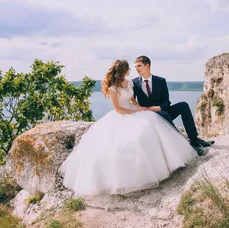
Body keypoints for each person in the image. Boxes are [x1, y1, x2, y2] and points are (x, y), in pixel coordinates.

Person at [59, 60, 198, 196]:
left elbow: (133, 100)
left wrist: (140, 108)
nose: (133, 70)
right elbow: (118, 109)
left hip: (136, 111)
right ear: (123, 71)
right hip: (121, 115)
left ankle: (190, 142)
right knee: (126, 143)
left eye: (138, 66)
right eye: (130, 68)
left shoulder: (131, 83)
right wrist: (136, 111)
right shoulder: (113, 88)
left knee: (152, 127)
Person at [132, 55, 214, 149]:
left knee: (183, 105)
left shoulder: (160, 81)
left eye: (139, 66)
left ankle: (194, 140)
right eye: (135, 67)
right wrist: (141, 109)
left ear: (147, 66)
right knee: (164, 114)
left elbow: (167, 102)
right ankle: (181, 143)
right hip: (148, 115)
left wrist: (158, 108)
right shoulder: (134, 83)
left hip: (162, 110)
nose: (136, 69)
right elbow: (132, 101)